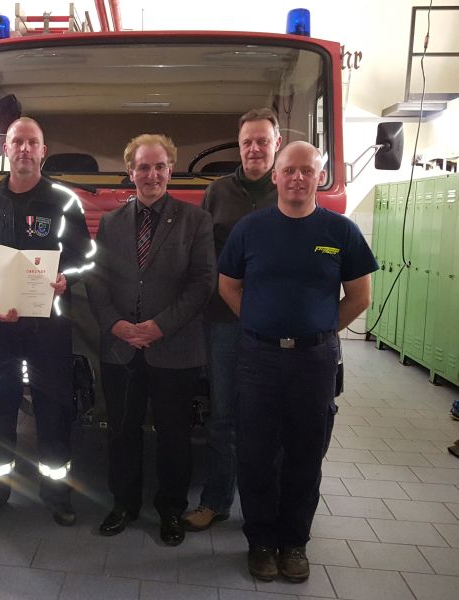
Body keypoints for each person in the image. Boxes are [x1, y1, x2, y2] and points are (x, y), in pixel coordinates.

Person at [218, 141, 377, 582]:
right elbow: (228, 285)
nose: (297, 178)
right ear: (275, 176)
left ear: (319, 177)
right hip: (258, 359)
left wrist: (319, 332)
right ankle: (260, 543)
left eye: (307, 170)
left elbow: (360, 297)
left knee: (306, 454)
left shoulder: (341, 232)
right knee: (256, 454)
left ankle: (294, 544)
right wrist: (260, 324)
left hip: (314, 362)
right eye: (289, 170)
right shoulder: (250, 229)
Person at [0, 117, 95, 526]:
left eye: (32, 142)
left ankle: (57, 494)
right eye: (17, 141)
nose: (24, 149)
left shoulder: (64, 201)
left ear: (42, 151)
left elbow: (87, 257)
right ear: (6, 149)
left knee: (54, 409)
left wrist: (66, 278)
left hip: (48, 324)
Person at [86, 134, 216, 546]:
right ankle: (123, 504)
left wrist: (160, 326)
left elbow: (202, 282)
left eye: (159, 166)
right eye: (143, 167)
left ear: (170, 170)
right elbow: (96, 279)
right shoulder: (111, 222)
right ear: (131, 172)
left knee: (174, 435)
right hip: (120, 346)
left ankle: (171, 510)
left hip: (174, 347)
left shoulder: (195, 220)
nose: (152, 174)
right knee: (121, 431)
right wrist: (115, 324)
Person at [187, 108, 282, 532]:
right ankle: (215, 500)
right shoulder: (217, 192)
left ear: (276, 143)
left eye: (262, 141)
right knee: (223, 415)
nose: (255, 149)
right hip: (224, 321)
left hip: (276, 326)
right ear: (239, 146)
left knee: (271, 416)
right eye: (247, 142)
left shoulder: (290, 188)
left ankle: (267, 503)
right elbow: (204, 255)